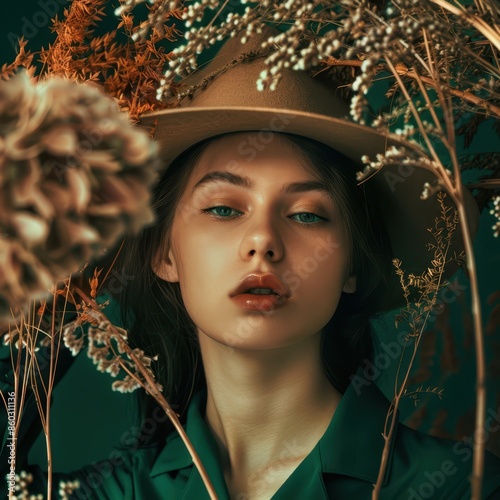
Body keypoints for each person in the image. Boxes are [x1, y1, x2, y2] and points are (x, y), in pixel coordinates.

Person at [2, 27, 500, 500]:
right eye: (224, 209)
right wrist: (53, 298)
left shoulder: (461, 485)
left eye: (307, 214)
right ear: (164, 252)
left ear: (351, 264)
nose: (262, 240)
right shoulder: (122, 492)